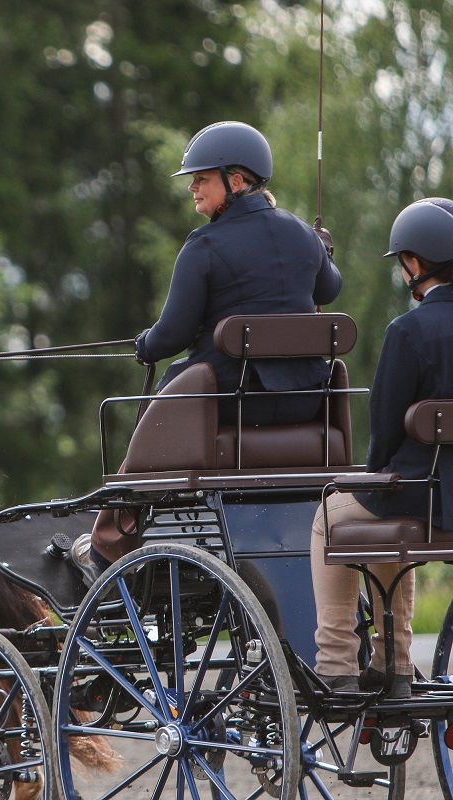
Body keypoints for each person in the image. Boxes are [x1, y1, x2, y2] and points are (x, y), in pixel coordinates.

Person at [69, 121, 342, 582]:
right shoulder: (301, 235)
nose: (192, 187)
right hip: (304, 406)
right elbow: (330, 290)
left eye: (202, 177)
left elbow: (173, 333)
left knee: (163, 403)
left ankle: (107, 547)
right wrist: (324, 250)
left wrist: (146, 345)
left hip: (228, 408)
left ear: (236, 180)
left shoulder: (205, 246)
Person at [310, 197, 453, 699]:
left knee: (333, 513)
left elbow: (386, 427)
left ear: (414, 263)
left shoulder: (408, 331)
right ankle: (394, 660)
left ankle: (337, 662)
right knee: (381, 517)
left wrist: (375, 475)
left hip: (421, 493)